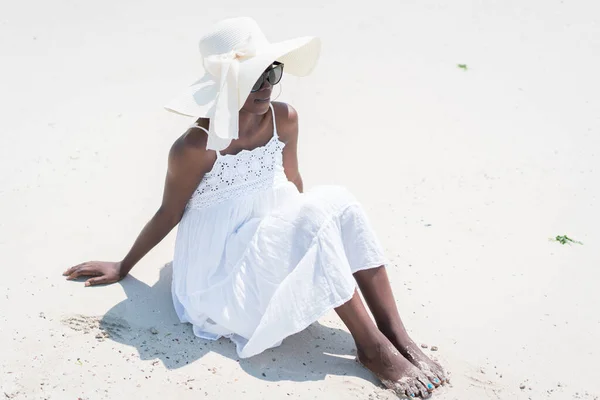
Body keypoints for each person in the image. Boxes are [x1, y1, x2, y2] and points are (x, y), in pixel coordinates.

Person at [63, 17, 447, 398]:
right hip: (219, 273)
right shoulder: (195, 147)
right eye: (252, 79)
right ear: (225, 85)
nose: (266, 87)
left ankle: (394, 331)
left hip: (269, 242)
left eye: (271, 73)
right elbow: (169, 212)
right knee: (312, 219)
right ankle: (373, 349)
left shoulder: (285, 118)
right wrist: (123, 266)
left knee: (339, 201)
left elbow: (294, 182)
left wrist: (315, 241)